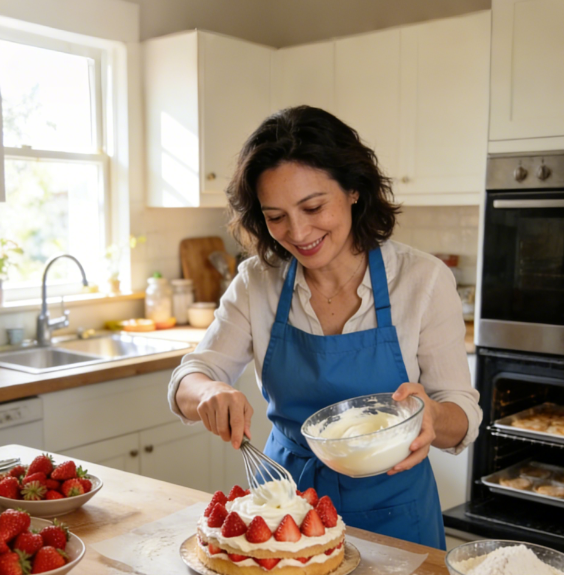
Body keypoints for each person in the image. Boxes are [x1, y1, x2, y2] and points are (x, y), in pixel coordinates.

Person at [167, 106, 480, 550]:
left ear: (354, 189)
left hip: (394, 513)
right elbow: (191, 376)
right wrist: (209, 392)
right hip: (285, 508)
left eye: (313, 207)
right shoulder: (258, 280)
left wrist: (431, 417)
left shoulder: (422, 279)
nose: (298, 232)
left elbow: (460, 409)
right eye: (276, 217)